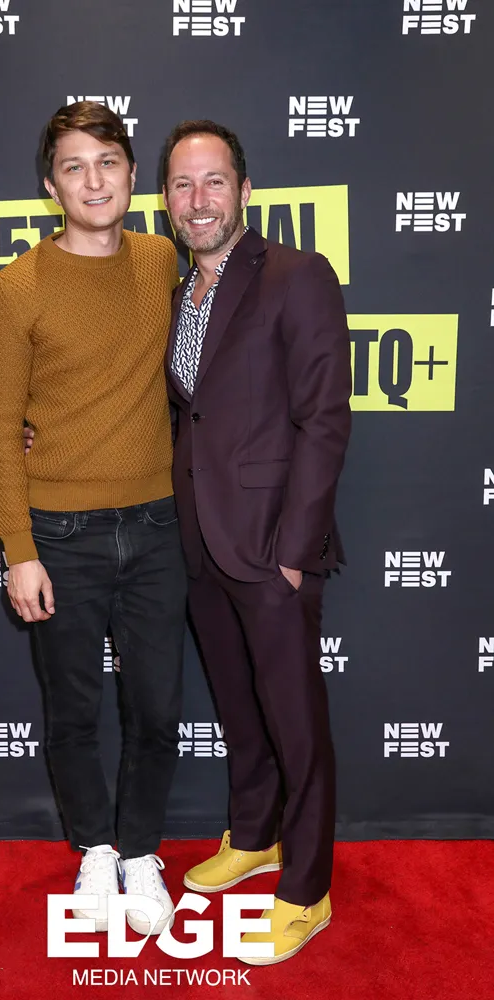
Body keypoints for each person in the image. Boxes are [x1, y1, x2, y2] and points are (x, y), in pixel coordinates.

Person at [0, 101, 187, 936]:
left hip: (161, 527)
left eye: (107, 162)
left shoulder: (162, 258)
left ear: (133, 175)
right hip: (60, 535)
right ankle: (95, 847)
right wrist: (18, 548)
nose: (93, 181)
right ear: (50, 185)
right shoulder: (16, 287)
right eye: (74, 166)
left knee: (157, 712)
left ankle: (140, 852)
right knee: (72, 712)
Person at [161, 120, 352, 964]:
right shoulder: (179, 293)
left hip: (272, 543)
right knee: (237, 707)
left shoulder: (295, 274)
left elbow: (324, 418)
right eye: (181, 184)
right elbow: (189, 412)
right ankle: (254, 835)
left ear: (243, 190)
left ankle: (306, 889)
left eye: (213, 181)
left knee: (293, 723)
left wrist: (294, 552)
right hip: (198, 540)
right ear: (165, 200)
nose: (197, 199)